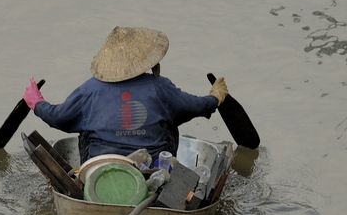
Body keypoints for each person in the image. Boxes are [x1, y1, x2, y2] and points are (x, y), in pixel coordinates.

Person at [23, 26, 228, 163]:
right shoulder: (160, 88)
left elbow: (58, 117)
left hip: (100, 169)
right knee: (171, 121)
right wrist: (216, 96)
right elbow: (196, 106)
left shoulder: (89, 90)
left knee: (83, 127)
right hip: (151, 167)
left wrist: (37, 102)